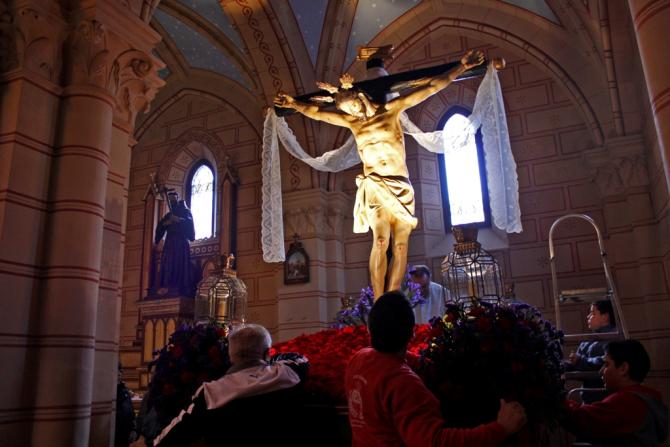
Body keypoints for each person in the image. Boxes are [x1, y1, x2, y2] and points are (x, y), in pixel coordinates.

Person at [275, 50, 485, 299]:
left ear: (360, 98)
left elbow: (430, 87)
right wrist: (294, 104)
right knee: (381, 241)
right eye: (348, 111)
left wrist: (461, 67)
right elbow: (318, 113)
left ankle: (393, 296)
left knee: (400, 245)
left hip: (400, 187)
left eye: (353, 107)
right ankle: (378, 300)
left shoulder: (391, 110)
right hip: (374, 186)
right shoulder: (353, 123)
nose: (353, 114)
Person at [345, 291, 527, 447]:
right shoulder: (403, 383)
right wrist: (501, 428)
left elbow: (396, 360)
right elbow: (436, 442)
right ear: (412, 332)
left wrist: (432, 363)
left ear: (369, 329)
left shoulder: (358, 360)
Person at [153, 324, 308, 446]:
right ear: (268, 353)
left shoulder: (211, 393)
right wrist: (268, 359)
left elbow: (171, 437)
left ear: (230, 356)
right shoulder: (285, 375)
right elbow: (299, 358)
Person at [563, 339, 669, 446]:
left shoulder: (627, 402)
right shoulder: (647, 396)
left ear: (623, 368)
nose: (601, 371)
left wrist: (558, 400)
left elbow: (583, 419)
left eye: (606, 364)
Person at [565, 300, 616, 402]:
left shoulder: (614, 337)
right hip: (588, 397)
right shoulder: (587, 340)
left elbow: (606, 361)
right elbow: (578, 365)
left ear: (605, 316)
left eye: (592, 313)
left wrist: (579, 361)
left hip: (606, 397)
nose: (588, 316)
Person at [154, 191, 195, 297]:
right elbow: (160, 227)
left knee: (179, 262)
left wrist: (178, 220)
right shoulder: (168, 215)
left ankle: (179, 285)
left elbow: (189, 224)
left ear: (177, 199)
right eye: (170, 199)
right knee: (168, 263)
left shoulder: (185, 211)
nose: (172, 201)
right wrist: (165, 224)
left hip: (181, 242)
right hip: (169, 242)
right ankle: (167, 285)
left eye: (173, 199)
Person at [115, 363, 138, 447]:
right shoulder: (107, 392)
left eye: (121, 370)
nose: (120, 372)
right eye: (118, 369)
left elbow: (131, 413)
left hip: (125, 437)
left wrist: (134, 429)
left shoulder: (124, 392)